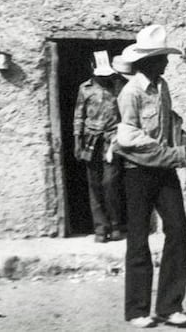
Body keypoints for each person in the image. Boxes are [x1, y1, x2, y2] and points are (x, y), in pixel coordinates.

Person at [114, 25, 186, 328]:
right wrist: (175, 154)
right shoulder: (131, 93)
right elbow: (128, 137)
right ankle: (138, 310)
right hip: (138, 172)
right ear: (147, 62)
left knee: (178, 230)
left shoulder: (162, 86)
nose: (166, 62)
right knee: (139, 239)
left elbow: (171, 122)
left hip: (164, 171)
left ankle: (169, 306)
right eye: (161, 58)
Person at [74, 51, 127, 243]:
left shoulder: (118, 86)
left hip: (112, 140)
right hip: (90, 141)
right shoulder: (85, 89)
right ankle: (100, 228)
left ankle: (115, 225)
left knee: (110, 183)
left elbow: (126, 112)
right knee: (94, 185)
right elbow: (79, 116)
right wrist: (77, 141)